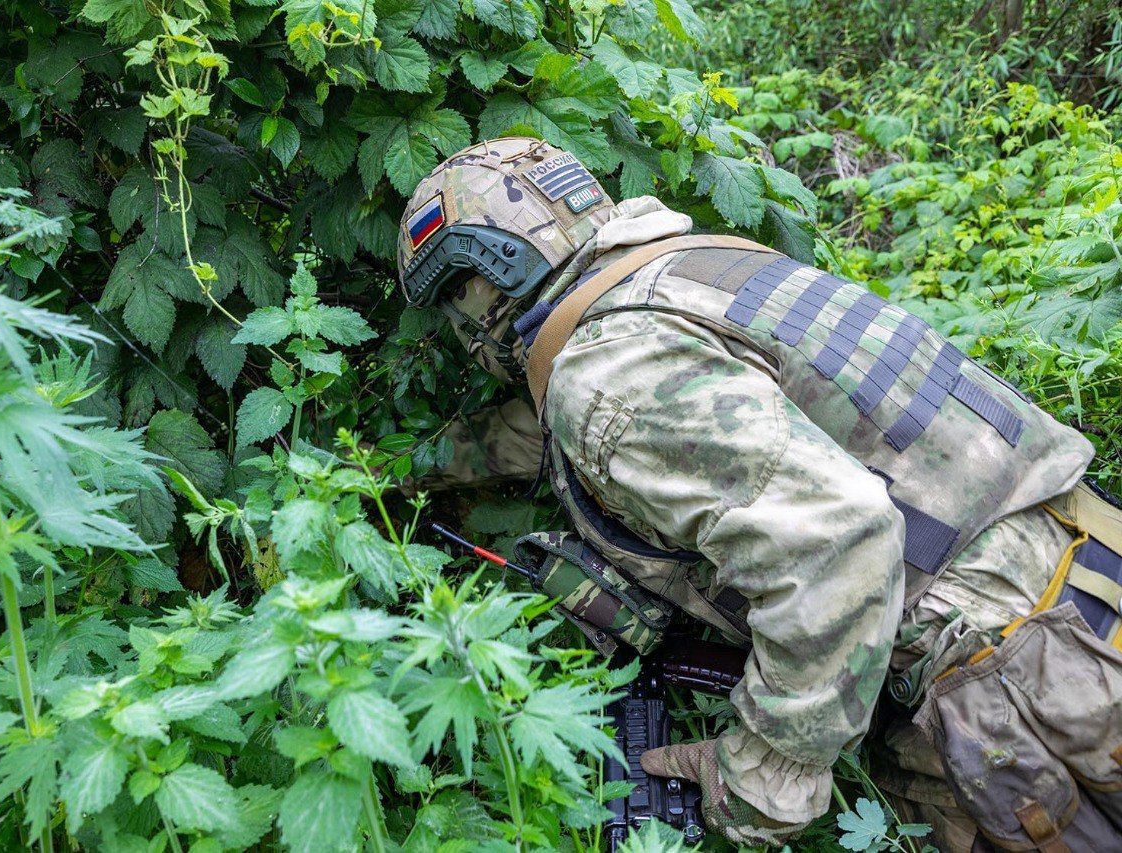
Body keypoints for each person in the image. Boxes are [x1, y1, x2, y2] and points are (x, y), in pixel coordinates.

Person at [396, 136, 1122, 850]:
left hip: (1021, 679)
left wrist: (762, 777)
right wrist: (402, 466)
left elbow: (838, 542)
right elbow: (576, 425)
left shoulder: (607, 369)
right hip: (1085, 575)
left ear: (479, 285)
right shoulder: (696, 273)